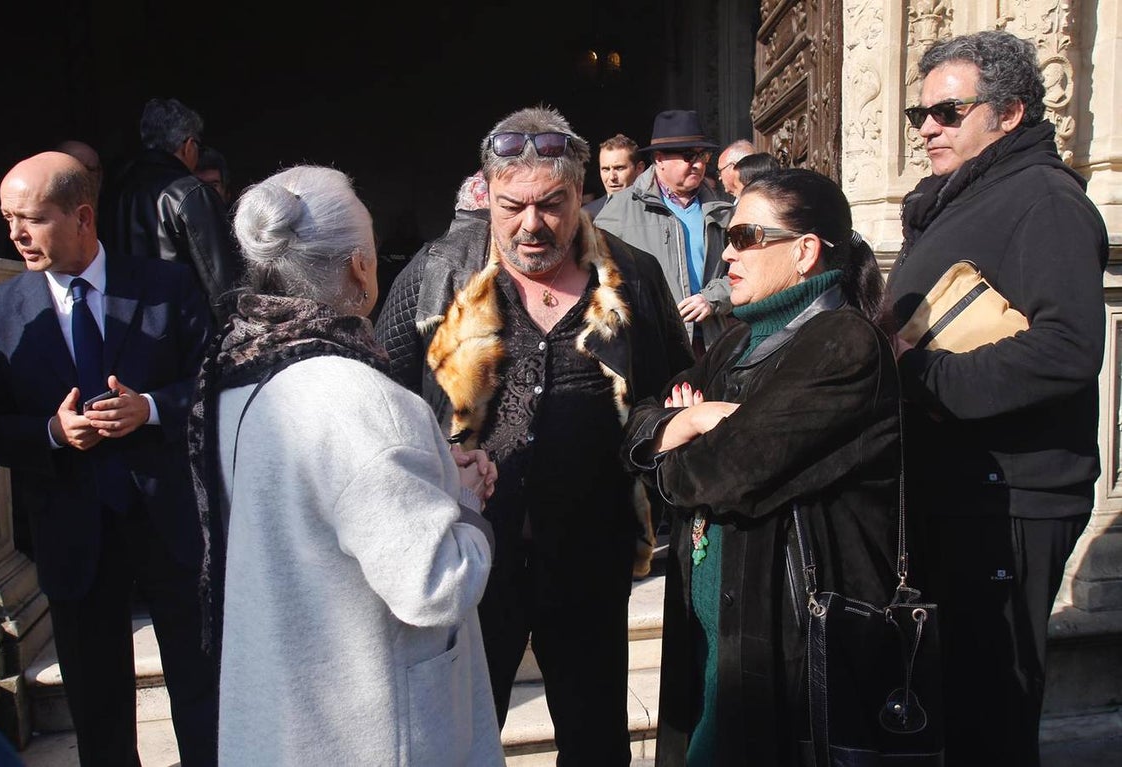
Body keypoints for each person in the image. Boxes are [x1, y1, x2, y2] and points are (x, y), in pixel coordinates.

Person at [375, 105, 692, 765]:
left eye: (552, 204)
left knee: (597, 738)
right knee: (459, 741)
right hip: (468, 568)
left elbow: (667, 387)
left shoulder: (632, 276)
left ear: (582, 194)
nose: (532, 224)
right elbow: (378, 409)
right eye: (513, 205)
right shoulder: (435, 274)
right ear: (486, 194)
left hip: (590, 561)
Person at [188, 164, 504, 766]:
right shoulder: (362, 399)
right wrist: (462, 500)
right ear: (360, 267)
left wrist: (431, 476)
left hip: (284, 717)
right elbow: (434, 585)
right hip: (371, 729)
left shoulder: (234, 374)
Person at [622, 168, 900, 765]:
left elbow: (728, 473)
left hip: (783, 641)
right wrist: (690, 423)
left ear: (804, 251)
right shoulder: (733, 342)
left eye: (746, 236)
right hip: (711, 630)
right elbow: (638, 424)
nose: (727, 253)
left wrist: (680, 449)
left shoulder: (844, 345)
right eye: (729, 235)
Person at [885, 30, 1108, 767]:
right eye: (922, 115)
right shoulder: (968, 197)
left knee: (992, 710)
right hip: (961, 492)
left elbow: (1068, 346)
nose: (926, 129)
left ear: (1009, 113)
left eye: (948, 112)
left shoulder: (1045, 199)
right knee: (957, 704)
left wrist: (927, 379)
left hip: (1010, 496)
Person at [0, 151, 217, 766]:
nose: (17, 236)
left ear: (83, 216)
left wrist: (153, 409)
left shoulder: (165, 287)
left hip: (170, 523)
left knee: (201, 686)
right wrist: (52, 432)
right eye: (8, 220)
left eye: (32, 219)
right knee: (97, 706)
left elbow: (217, 383)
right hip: (70, 530)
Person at [595, 109, 734, 356]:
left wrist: (712, 299)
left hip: (712, 344)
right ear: (659, 159)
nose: (699, 164)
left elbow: (745, 271)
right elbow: (598, 283)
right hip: (652, 348)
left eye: (704, 155)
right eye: (689, 156)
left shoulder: (722, 208)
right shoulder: (618, 211)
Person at [101, 97, 240, 324]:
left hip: (122, 322)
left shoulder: (114, 191)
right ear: (188, 145)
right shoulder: (190, 193)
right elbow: (221, 283)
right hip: (183, 327)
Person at [582, 133, 645, 218]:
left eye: (619, 168)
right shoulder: (586, 216)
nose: (612, 177)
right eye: (606, 169)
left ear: (639, 169)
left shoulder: (655, 213)